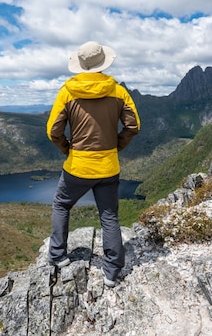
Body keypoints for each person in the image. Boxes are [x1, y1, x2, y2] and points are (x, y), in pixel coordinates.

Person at [46, 41, 140, 288]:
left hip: (77, 166)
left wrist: (68, 149)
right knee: (109, 216)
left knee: (61, 204)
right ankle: (111, 272)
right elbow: (133, 126)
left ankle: (57, 256)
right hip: (108, 166)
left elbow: (53, 131)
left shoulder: (67, 91)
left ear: (80, 65)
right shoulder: (118, 91)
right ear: (103, 62)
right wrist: (117, 146)